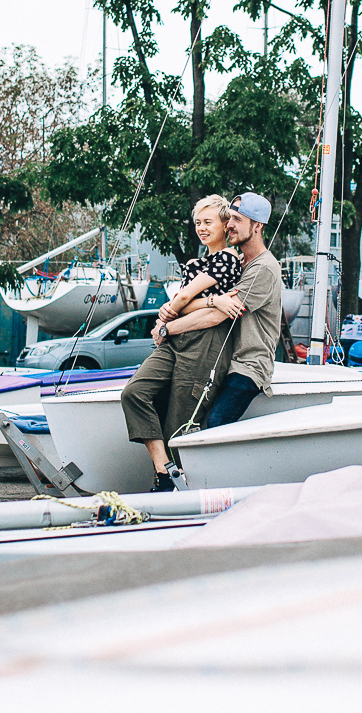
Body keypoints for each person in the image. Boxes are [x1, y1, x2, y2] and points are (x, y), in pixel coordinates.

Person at [120, 196, 243, 491]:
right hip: (176, 338)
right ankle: (165, 472)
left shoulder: (228, 258)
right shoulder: (194, 264)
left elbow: (184, 299)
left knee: (180, 419)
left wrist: (176, 307)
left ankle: (176, 487)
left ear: (225, 225)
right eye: (198, 222)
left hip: (206, 344)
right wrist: (210, 299)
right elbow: (184, 303)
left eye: (208, 222)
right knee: (134, 393)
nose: (201, 228)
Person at [166, 190, 281, 430]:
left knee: (215, 423)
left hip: (248, 365)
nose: (229, 225)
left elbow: (218, 314)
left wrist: (167, 329)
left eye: (237, 219)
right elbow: (211, 302)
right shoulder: (239, 263)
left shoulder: (264, 269)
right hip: (223, 358)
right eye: (228, 218)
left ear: (257, 225)